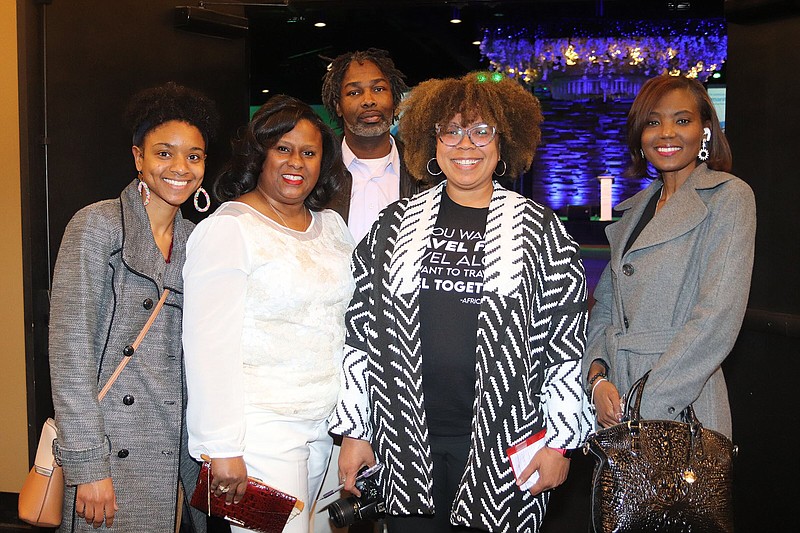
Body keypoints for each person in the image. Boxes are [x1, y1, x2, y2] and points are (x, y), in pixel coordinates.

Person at [330, 71, 592, 532]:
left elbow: (566, 344)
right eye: (450, 131)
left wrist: (560, 442)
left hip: (506, 447)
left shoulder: (541, 231)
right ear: (431, 141)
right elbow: (360, 336)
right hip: (403, 444)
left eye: (480, 130)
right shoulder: (395, 225)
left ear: (502, 140)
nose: (464, 144)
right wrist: (356, 431)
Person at [49, 82, 219, 532]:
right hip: (109, 451)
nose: (180, 168)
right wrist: (88, 467)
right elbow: (70, 355)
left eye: (194, 156)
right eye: (164, 153)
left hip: (171, 450)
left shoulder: (195, 241)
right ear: (138, 157)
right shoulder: (98, 226)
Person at [182, 94, 355, 533]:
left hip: (329, 428)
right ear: (260, 154)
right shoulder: (228, 228)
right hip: (259, 433)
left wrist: (358, 426)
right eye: (283, 148)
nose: (296, 161)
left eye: (309, 152)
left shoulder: (333, 227)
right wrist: (220, 446)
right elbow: (208, 345)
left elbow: (352, 327)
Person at [584, 75, 756, 439]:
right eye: (652, 121)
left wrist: (646, 404)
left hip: (681, 404)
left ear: (705, 129)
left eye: (682, 120)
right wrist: (597, 379)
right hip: (616, 404)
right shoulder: (633, 212)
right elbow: (605, 307)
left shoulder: (729, 198)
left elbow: (716, 320)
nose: (666, 133)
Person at [321, 48, 428, 242]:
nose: (368, 101)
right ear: (338, 106)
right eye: (354, 92)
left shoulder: (426, 173)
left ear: (395, 100)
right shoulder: (318, 170)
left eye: (378, 89)